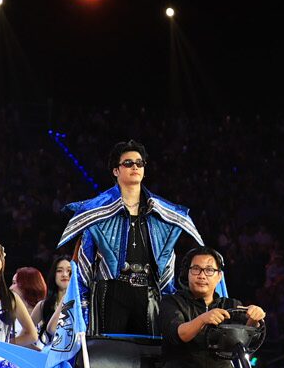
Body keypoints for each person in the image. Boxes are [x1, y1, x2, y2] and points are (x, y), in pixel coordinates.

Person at [56, 140, 208, 341]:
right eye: (128, 163)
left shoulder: (163, 216)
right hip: (111, 294)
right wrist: (82, 312)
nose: (135, 167)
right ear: (116, 171)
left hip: (148, 293)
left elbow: (167, 267)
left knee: (150, 352)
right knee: (110, 352)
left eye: (139, 163)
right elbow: (83, 269)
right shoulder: (95, 214)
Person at [156, 247, 266, 368]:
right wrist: (203, 319)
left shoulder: (231, 305)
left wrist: (254, 319)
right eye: (196, 269)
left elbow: (246, 342)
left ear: (219, 276)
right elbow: (180, 334)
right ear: (188, 273)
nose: (202, 276)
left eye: (209, 270)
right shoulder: (172, 302)